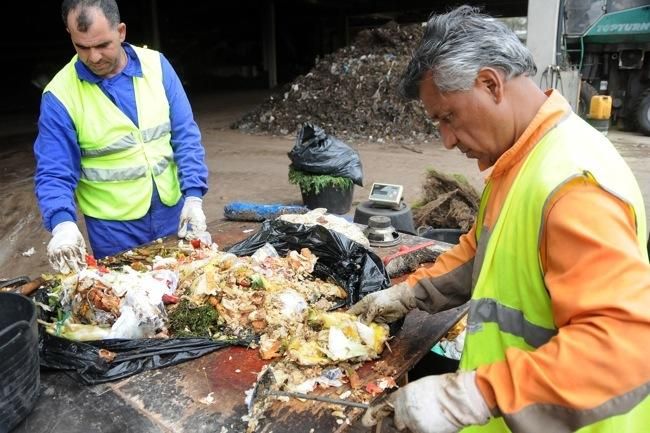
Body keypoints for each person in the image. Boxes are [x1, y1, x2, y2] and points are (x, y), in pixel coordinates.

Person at [350, 6, 650, 433]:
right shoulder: (522, 158)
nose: (447, 140)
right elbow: (486, 250)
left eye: (448, 117)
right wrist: (408, 295)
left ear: (490, 83)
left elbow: (625, 349)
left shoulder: (573, 186)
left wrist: (474, 396)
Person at [34, 0, 210, 274]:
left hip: (172, 214)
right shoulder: (60, 95)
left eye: (103, 45)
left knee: (186, 294)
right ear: (71, 36)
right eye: (83, 47)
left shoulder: (157, 66)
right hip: (114, 230)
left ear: (121, 32)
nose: (94, 57)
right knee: (129, 305)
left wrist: (194, 197)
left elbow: (185, 135)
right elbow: (54, 171)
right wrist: (62, 224)